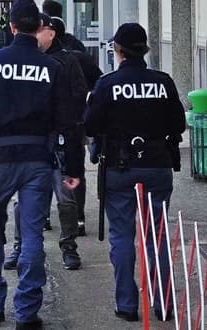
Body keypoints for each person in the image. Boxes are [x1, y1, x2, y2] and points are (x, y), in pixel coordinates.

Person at [0, 0, 82, 328]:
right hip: (38, 160)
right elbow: (70, 123)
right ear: (38, 28)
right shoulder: (51, 68)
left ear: (11, 26)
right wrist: (73, 169)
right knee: (32, 232)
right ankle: (27, 311)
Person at [84, 23, 185, 322]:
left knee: (122, 236)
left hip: (119, 168)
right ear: (146, 49)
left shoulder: (107, 84)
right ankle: (163, 303)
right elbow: (178, 124)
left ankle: (127, 304)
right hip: (156, 166)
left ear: (118, 51)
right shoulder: (163, 82)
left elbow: (90, 126)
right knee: (157, 235)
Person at [3, 13, 87, 271]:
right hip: (31, 142)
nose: (35, 36)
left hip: (58, 141)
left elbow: (78, 97)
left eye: (39, 31)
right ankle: (19, 246)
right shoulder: (27, 61)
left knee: (65, 199)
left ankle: (69, 246)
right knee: (22, 201)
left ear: (50, 33)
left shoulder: (68, 61)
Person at [49, 16, 103, 236]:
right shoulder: (78, 54)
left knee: (60, 170)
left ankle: (66, 217)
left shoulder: (65, 58)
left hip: (65, 124)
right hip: (74, 123)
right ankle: (77, 217)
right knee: (74, 168)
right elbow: (99, 81)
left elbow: (98, 82)